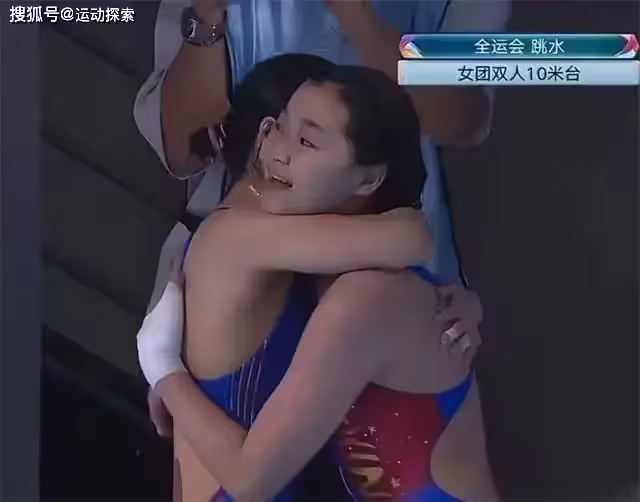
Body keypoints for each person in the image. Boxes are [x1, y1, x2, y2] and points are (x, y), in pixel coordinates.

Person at [138, 64, 496, 501]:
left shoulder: (362, 298)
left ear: (368, 178)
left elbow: (250, 479)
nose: (277, 152)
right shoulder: (312, 273)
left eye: (307, 141)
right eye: (277, 127)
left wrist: (162, 367)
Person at [136, 0, 512, 302]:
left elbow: (464, 117)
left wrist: (357, 17)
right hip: (229, 289)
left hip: (392, 294)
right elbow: (182, 148)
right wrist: (207, 16)